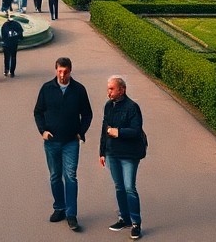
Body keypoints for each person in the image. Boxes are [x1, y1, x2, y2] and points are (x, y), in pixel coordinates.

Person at [34, 57, 93, 231]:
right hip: (51, 141)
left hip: (70, 142)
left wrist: (80, 132)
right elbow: (38, 112)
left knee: (71, 176)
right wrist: (42, 131)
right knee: (54, 176)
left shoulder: (79, 90)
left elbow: (88, 114)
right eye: (59, 71)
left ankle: (71, 214)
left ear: (70, 71)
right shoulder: (47, 88)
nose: (62, 75)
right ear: (55, 70)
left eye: (65, 72)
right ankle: (59, 207)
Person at [99, 75, 146, 238]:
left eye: (112, 89)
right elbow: (104, 128)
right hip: (112, 153)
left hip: (129, 155)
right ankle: (124, 218)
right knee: (119, 187)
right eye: (108, 89)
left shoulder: (132, 107)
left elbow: (136, 131)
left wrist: (118, 132)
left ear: (122, 90)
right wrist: (102, 152)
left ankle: (136, 223)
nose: (109, 92)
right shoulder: (108, 106)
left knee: (129, 188)